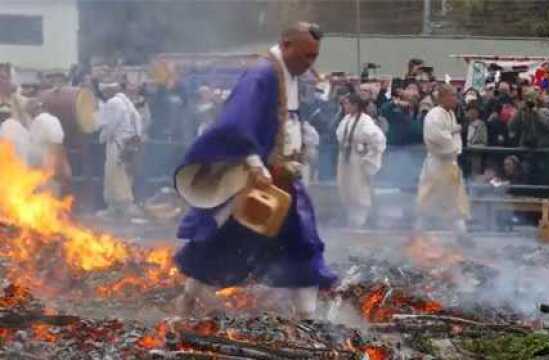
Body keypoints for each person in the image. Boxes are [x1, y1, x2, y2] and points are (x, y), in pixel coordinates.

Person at [173, 22, 337, 319]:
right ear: (286, 45)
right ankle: (187, 299)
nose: (310, 63)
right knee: (221, 243)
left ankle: (308, 317)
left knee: (303, 241)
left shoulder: (291, 74)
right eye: (305, 56)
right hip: (259, 180)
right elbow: (237, 121)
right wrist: (255, 164)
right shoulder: (262, 74)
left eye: (314, 56)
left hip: (285, 181)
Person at [416, 84, 472, 246]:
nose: (456, 99)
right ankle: (418, 232)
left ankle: (461, 234)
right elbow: (436, 137)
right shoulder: (434, 115)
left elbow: (450, 132)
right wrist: (453, 136)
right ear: (442, 97)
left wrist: (455, 130)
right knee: (429, 199)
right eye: (452, 96)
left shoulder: (450, 114)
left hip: (450, 163)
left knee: (455, 200)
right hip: (438, 162)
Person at [335, 93, 386, 227]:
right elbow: (339, 135)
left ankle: (359, 220)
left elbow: (378, 139)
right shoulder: (346, 119)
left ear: (355, 105)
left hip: (357, 160)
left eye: (347, 104)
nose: (344, 106)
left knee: (359, 189)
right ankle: (351, 219)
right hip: (346, 158)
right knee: (346, 188)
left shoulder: (365, 121)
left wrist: (368, 157)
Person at [97, 82, 144, 218]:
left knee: (114, 173)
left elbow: (110, 125)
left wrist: (102, 137)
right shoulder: (127, 102)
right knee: (125, 173)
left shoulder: (113, 103)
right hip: (129, 143)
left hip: (117, 142)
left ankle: (116, 206)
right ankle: (122, 205)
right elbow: (138, 121)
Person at [25, 99, 71, 196]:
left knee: (46, 194)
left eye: (29, 112)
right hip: (46, 164)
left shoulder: (43, 120)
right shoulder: (49, 119)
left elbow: (55, 143)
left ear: (35, 110)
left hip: (46, 165)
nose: (29, 116)